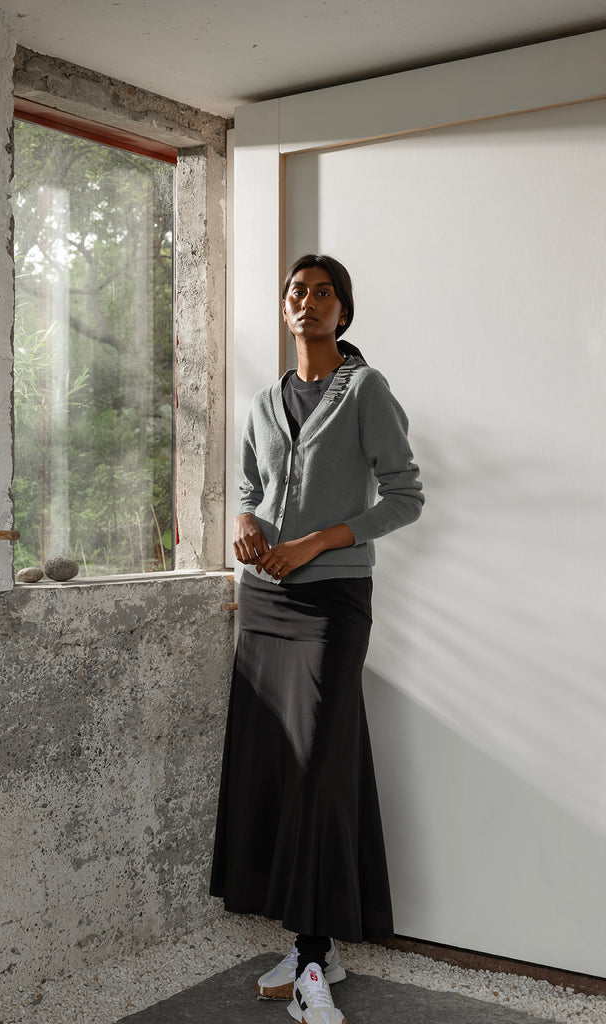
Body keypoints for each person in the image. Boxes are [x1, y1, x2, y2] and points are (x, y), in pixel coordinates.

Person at [210, 254, 424, 1024]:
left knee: (318, 769)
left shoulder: (365, 391)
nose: (307, 301)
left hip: (334, 602)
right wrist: (245, 525)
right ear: (284, 308)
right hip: (265, 604)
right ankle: (317, 942)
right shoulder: (265, 401)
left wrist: (316, 543)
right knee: (281, 766)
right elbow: (246, 489)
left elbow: (405, 497)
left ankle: (309, 966)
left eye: (322, 292)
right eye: (296, 291)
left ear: (344, 311)